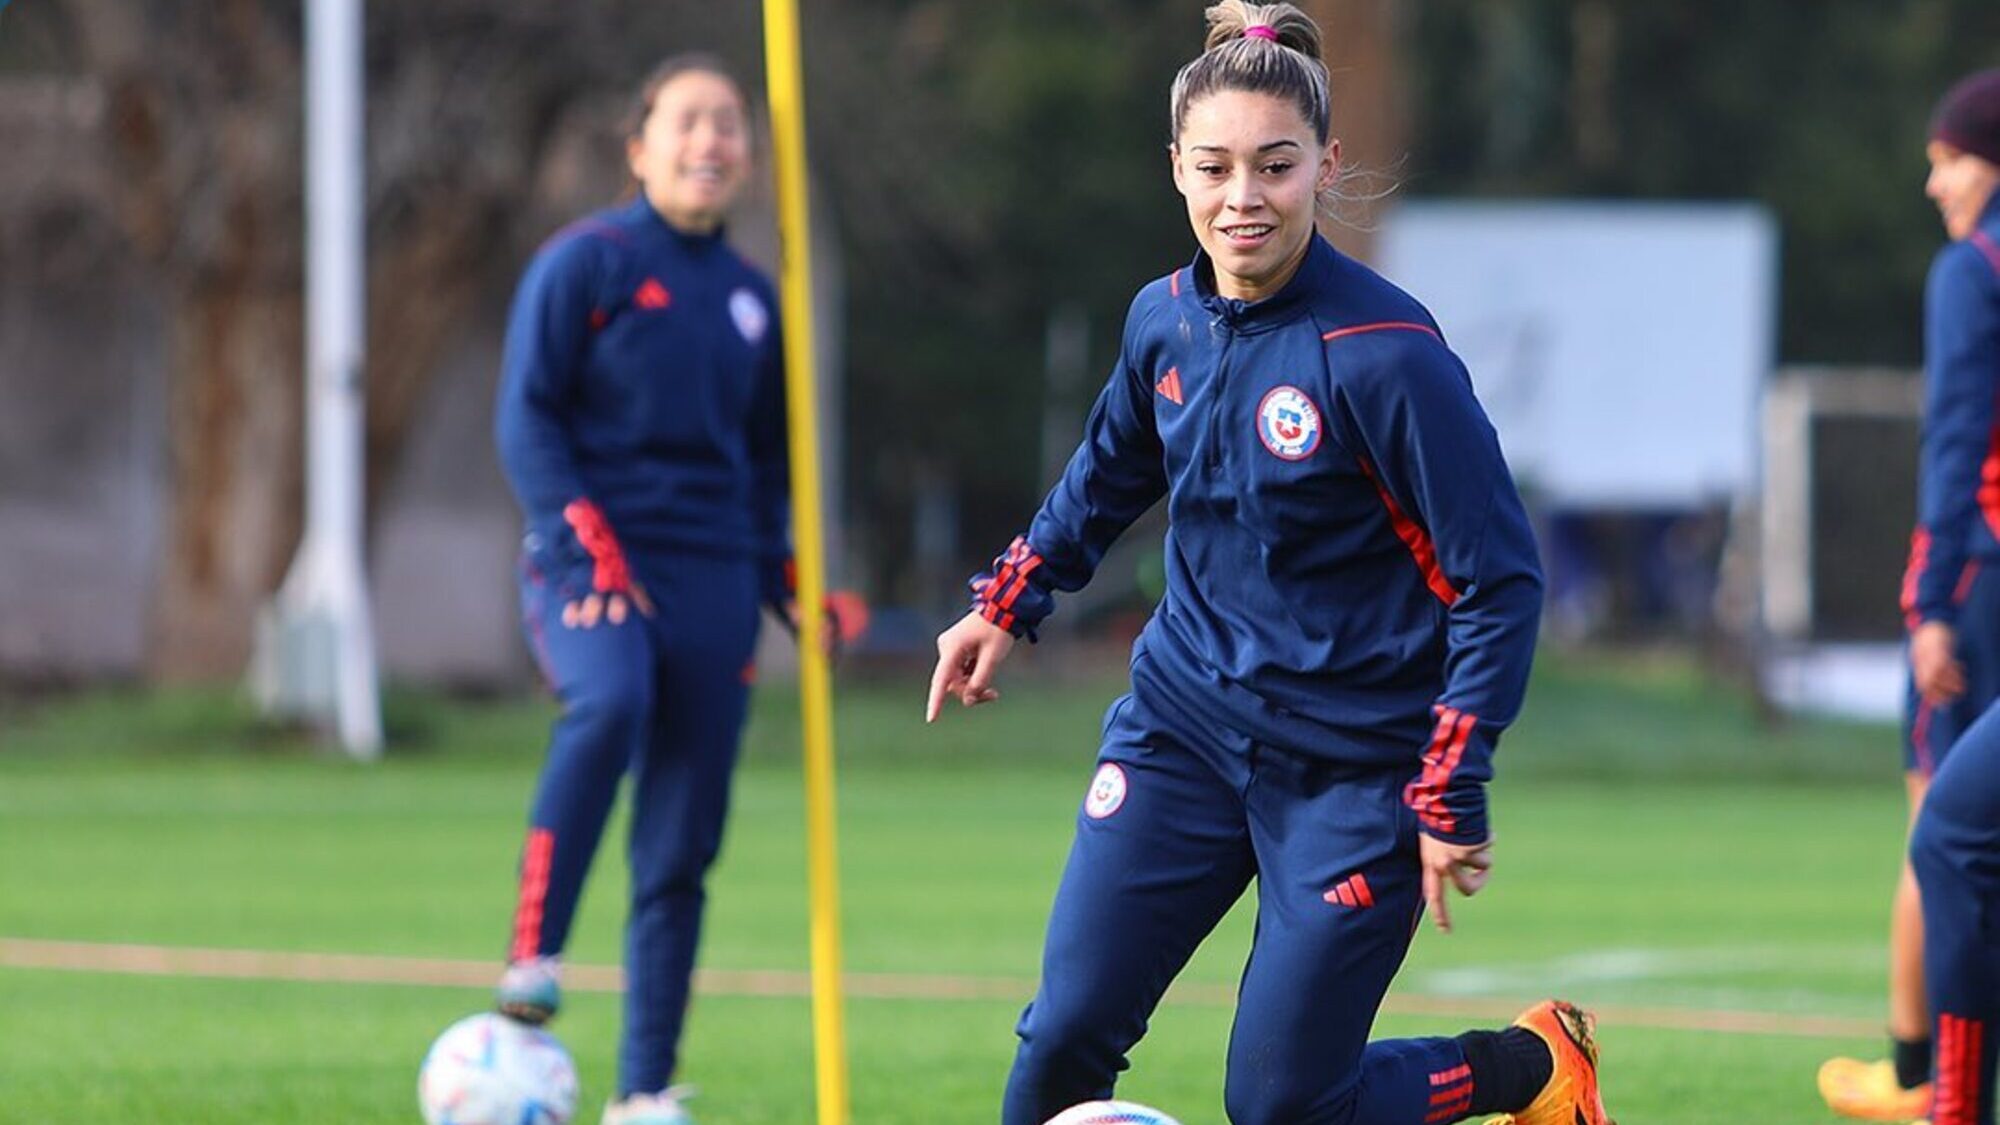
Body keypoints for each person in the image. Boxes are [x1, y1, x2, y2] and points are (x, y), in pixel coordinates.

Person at [923, 5, 1608, 1123]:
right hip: (1181, 731)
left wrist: (1450, 778)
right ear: (1175, 172)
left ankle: (1528, 1066)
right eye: (1215, 166)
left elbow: (1500, 581)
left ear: (1324, 166)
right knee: (1058, 1044)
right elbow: (1108, 470)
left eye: (1275, 166)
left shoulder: (1386, 359)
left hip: (1351, 773)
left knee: (1286, 1109)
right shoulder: (1163, 321)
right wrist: (1009, 598)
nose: (1243, 195)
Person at [492, 53, 795, 1125]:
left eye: (728, 124)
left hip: (712, 577)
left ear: (750, 155)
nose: (710, 141)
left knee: (680, 844)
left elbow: (765, 464)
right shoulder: (587, 263)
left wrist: (788, 575)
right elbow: (526, 417)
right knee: (608, 702)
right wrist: (580, 539)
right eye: (688, 122)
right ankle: (533, 954)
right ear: (639, 147)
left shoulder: (755, 299)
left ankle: (643, 1088)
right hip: (593, 561)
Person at [1821, 67, 2000, 1125]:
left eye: (1948, 161)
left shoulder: (1969, 268)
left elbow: (1953, 439)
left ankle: (1913, 1073)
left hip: (1976, 578)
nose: (1932, 184)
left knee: (1944, 822)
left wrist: (1928, 600)